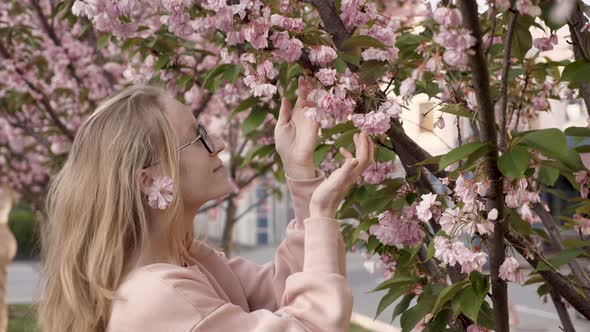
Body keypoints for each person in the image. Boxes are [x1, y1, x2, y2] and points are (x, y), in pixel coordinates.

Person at [38, 76, 374, 331]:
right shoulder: (158, 296)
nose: (218, 144)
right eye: (198, 136)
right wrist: (321, 214)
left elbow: (283, 291)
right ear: (148, 179)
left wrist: (301, 177)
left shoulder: (189, 262)